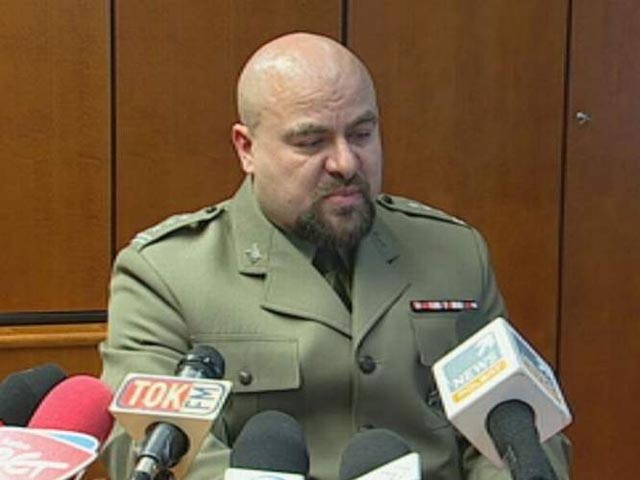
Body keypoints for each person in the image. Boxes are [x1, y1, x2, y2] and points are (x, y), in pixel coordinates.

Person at [101, 32, 571, 480]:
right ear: (247, 148)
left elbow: (518, 429)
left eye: (362, 133)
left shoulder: (453, 253)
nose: (345, 163)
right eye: (311, 142)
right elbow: (150, 449)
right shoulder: (168, 274)